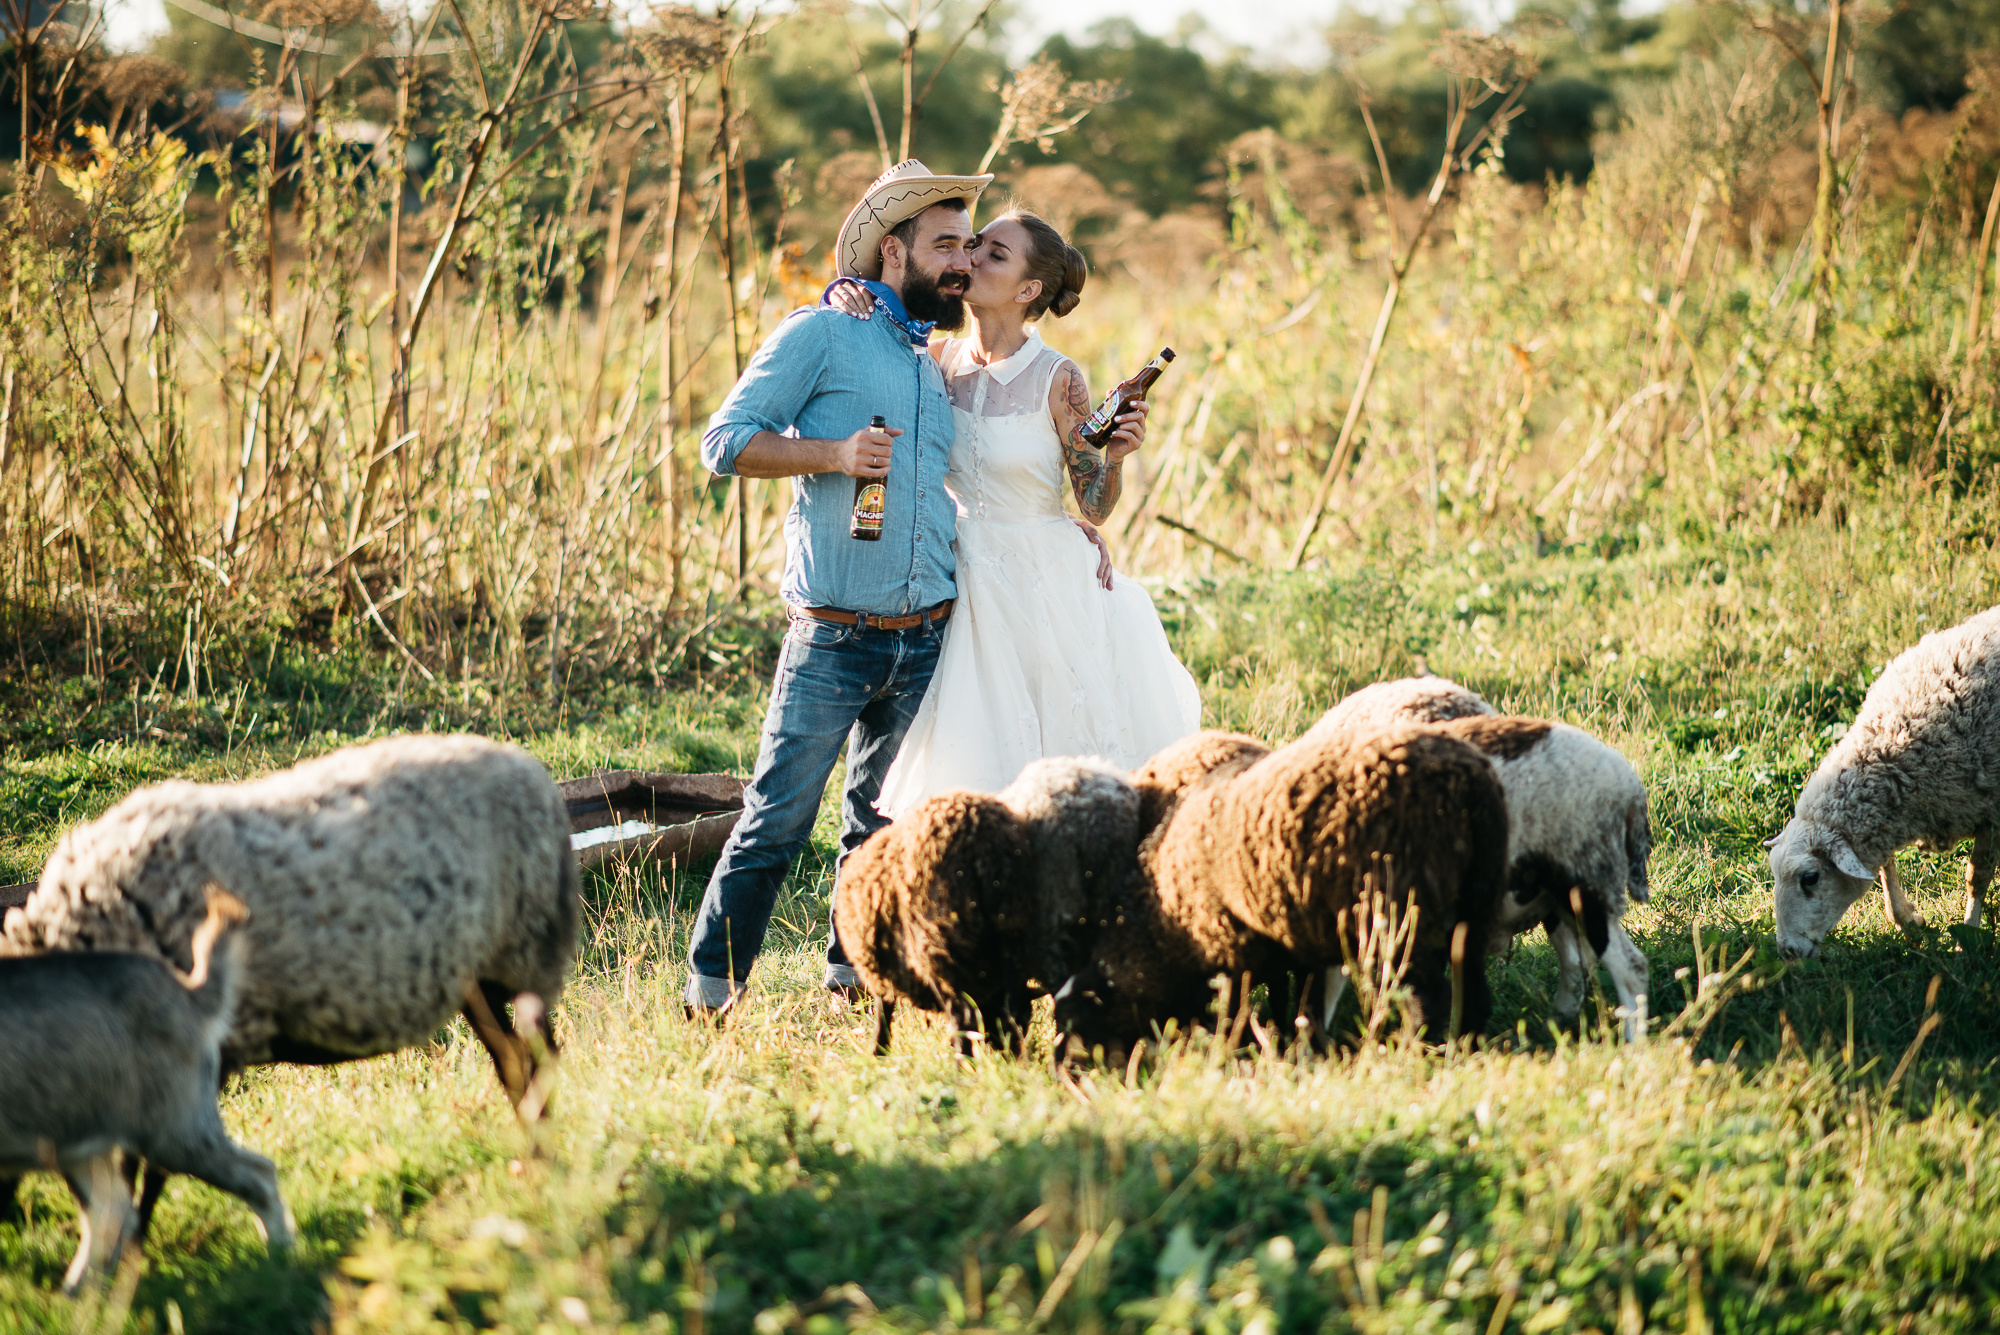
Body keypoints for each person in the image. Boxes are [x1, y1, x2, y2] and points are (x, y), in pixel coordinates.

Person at [682, 160, 991, 1018]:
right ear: (894, 252)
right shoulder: (820, 333)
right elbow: (722, 441)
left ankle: (853, 982)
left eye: (969, 245)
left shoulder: (936, 359)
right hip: (833, 637)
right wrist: (832, 454)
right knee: (776, 823)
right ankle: (710, 994)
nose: (961, 261)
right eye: (945, 247)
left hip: (926, 633)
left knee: (880, 828)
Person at [823, 208, 1201, 813]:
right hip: (957, 574)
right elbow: (877, 316)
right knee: (969, 752)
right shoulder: (937, 362)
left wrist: (1119, 460)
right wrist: (846, 293)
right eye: (974, 245)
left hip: (1045, 582)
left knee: (1057, 751)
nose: (969, 258)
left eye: (993, 254)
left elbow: (1095, 505)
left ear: (1029, 291)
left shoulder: (1057, 378)